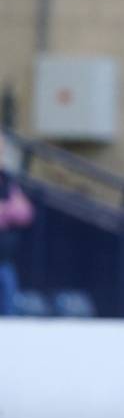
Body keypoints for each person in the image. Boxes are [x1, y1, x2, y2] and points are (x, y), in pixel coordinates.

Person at [0, 134, 34, 315]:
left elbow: (25, 213)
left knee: (8, 310)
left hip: (4, 259)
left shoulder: (7, 180)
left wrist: (4, 211)